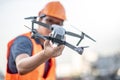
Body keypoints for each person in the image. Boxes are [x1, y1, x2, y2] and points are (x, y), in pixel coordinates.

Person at [5, 1, 66, 80]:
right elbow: (21, 67)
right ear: (40, 19)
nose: (53, 27)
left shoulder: (49, 50)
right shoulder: (24, 41)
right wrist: (46, 55)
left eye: (58, 24)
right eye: (49, 21)